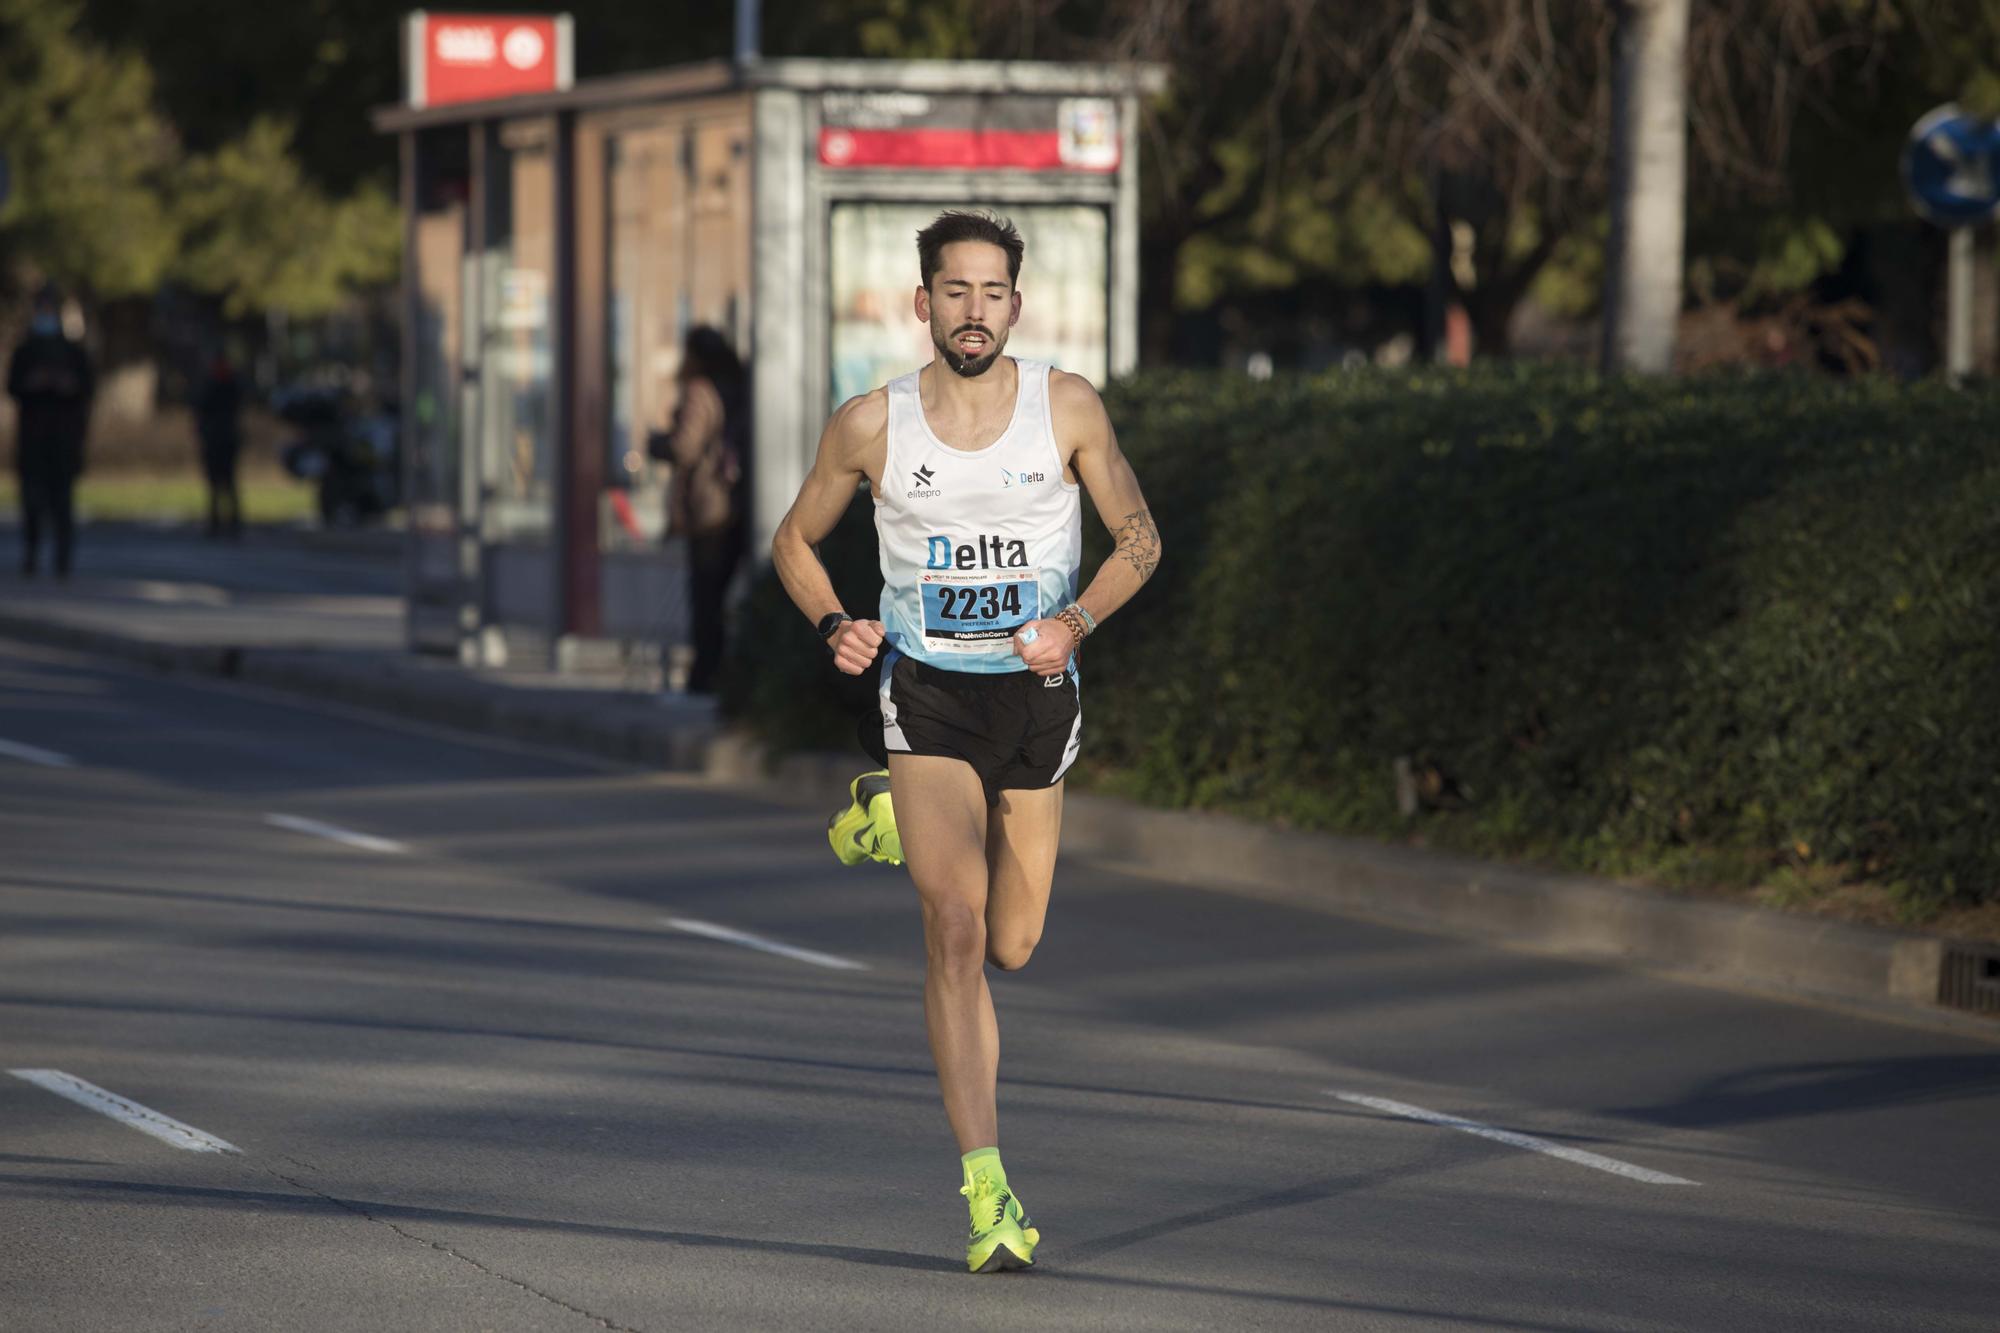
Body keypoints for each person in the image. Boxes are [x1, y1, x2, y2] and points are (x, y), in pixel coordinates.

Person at [770, 210, 1161, 1273]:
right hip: (926, 694)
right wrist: (834, 622)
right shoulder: (872, 424)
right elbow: (792, 539)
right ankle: (986, 1189)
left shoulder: (1065, 406)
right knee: (953, 924)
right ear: (923, 303)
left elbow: (1139, 536)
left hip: (1036, 698)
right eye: (954, 291)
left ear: (1015, 306)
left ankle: (887, 819)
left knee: (1011, 943)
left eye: (991, 293)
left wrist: (1072, 621)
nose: (973, 310)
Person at [650, 326, 748, 694]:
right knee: (721, 597)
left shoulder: (699, 390)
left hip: (710, 508)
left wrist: (659, 443)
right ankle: (719, 671)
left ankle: (705, 674)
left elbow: (686, 447)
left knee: (705, 599)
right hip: (740, 505)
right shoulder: (739, 386)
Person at [6, 286, 94, 578]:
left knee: (63, 505)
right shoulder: (25, 351)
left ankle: (63, 560)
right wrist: (34, 383)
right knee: (32, 504)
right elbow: (13, 388)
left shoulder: (73, 353)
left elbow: (87, 389)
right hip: (32, 439)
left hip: (64, 440)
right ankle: (31, 556)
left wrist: (67, 385)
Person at [194, 355, 244, 539]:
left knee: (223, 483)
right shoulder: (226, 384)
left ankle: (227, 522)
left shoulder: (220, 385)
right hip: (220, 438)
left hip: (220, 439)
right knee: (220, 484)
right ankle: (222, 521)